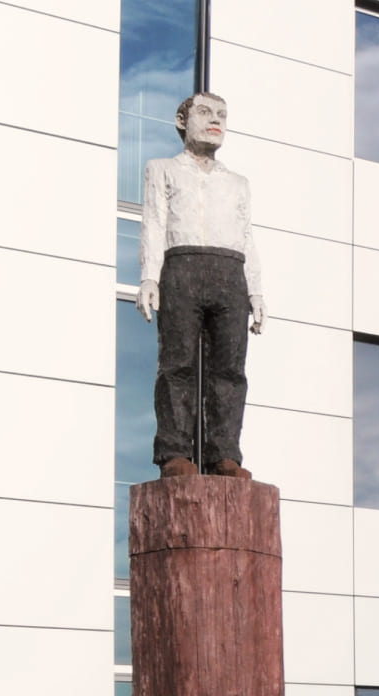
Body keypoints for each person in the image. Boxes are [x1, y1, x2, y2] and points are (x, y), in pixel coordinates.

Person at [135, 92, 266, 479]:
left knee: (230, 368)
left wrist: (255, 291)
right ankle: (175, 450)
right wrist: (149, 275)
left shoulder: (237, 183)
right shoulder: (162, 170)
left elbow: (246, 236)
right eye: (205, 112)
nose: (216, 121)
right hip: (182, 265)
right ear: (182, 121)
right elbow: (154, 223)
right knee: (177, 363)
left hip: (230, 271)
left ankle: (224, 454)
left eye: (222, 115)